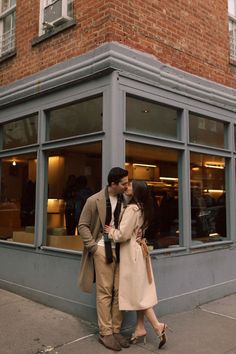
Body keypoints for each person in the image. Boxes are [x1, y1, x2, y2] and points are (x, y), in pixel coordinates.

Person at [104, 180, 169, 350]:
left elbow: (123, 235)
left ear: (137, 191)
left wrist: (111, 231)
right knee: (140, 291)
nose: (127, 187)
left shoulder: (132, 209)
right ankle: (140, 328)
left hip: (131, 253)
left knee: (138, 294)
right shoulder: (143, 208)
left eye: (130, 186)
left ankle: (157, 326)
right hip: (140, 251)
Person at [78, 167, 130, 351]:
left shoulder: (126, 200)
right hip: (102, 250)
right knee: (105, 292)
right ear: (113, 184)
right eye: (123, 183)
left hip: (122, 250)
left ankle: (116, 330)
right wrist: (93, 248)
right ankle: (105, 333)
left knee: (120, 292)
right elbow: (82, 225)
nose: (127, 186)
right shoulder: (94, 200)